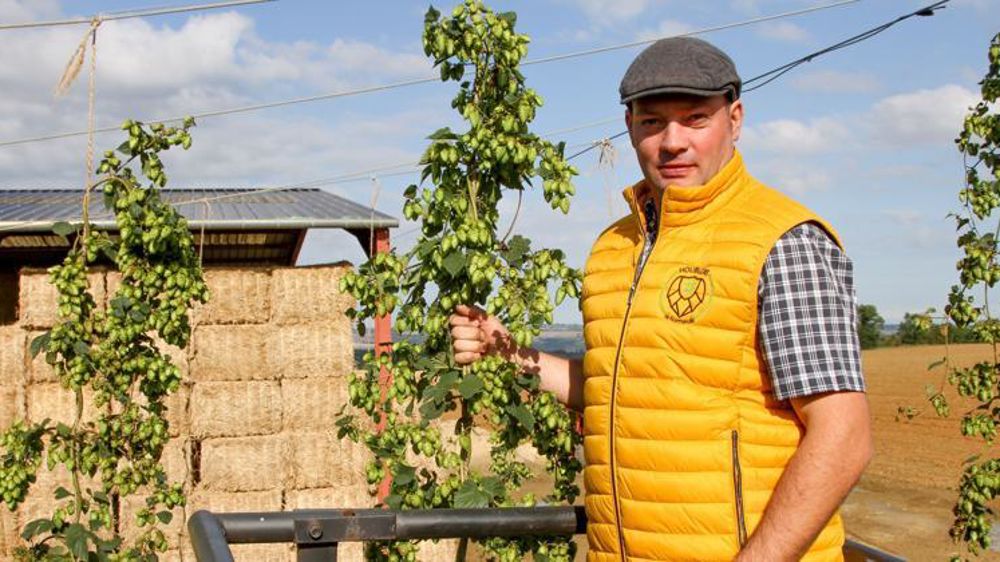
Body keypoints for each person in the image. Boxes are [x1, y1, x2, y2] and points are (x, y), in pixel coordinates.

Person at [450, 37, 871, 562]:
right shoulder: (613, 248)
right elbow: (611, 388)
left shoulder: (783, 241)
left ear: (734, 120)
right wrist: (507, 352)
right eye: (652, 122)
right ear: (629, 127)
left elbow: (843, 435)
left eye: (695, 119)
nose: (672, 142)